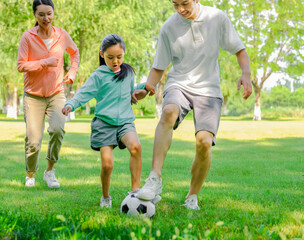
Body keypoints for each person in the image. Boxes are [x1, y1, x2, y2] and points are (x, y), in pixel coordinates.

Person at [132, 0, 252, 210]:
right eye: (175, 4)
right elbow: (159, 65)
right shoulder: (169, 27)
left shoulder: (217, 18)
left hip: (209, 89)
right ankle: (154, 178)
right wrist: (148, 86)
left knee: (204, 143)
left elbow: (240, 50)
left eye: (185, 3)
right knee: (168, 112)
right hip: (179, 83)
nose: (181, 9)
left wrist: (246, 75)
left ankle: (192, 196)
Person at [62, 34, 147, 208]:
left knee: (136, 147)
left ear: (123, 54)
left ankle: (135, 193)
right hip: (104, 124)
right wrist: (71, 104)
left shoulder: (128, 72)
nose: (115, 61)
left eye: (119, 57)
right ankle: (106, 197)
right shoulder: (98, 75)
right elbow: (84, 93)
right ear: (102, 54)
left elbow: (132, 90)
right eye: (110, 57)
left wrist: (145, 87)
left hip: (125, 121)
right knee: (107, 165)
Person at [17, 0, 80, 188]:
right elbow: (21, 65)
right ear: (35, 16)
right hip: (33, 95)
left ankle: (50, 171)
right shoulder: (27, 37)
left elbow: (75, 53)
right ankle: (30, 174)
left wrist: (72, 72)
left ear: (53, 13)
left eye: (49, 13)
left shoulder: (62, 35)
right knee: (33, 140)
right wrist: (45, 61)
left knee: (58, 129)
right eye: (41, 14)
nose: (46, 18)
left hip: (56, 92)